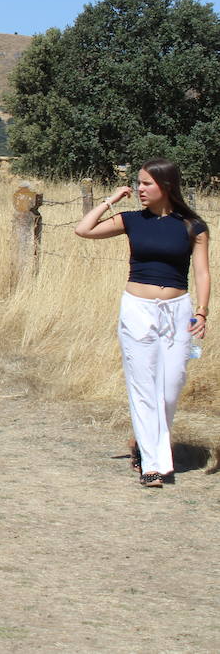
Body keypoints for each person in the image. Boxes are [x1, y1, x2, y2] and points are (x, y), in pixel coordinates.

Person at [74, 158, 210, 488]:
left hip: (177, 311)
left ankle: (142, 443)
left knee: (171, 386)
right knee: (143, 386)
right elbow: (84, 229)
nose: (139, 189)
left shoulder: (192, 226)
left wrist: (203, 312)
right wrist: (111, 200)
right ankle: (153, 463)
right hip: (137, 309)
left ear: (167, 186)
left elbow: (203, 272)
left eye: (146, 183)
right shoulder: (131, 219)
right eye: (138, 183)